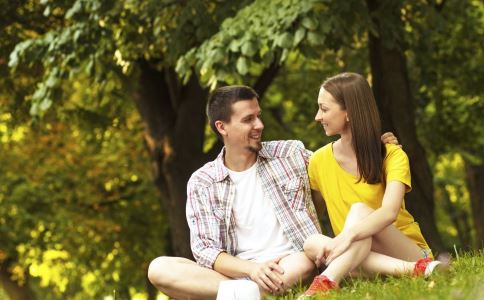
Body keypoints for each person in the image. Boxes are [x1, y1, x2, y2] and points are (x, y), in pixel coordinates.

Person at [147, 85, 398, 300]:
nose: (259, 125)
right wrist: (253, 269)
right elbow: (205, 250)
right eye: (248, 120)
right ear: (222, 127)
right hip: (234, 272)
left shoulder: (290, 154)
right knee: (159, 268)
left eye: (258, 116)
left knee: (303, 261)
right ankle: (247, 293)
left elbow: (339, 168)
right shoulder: (203, 181)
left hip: (290, 263)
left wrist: (377, 148)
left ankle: (239, 295)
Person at [299, 72, 444, 298]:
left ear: (349, 113)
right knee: (311, 242)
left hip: (405, 250)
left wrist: (345, 238)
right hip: (355, 258)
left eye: (324, 109)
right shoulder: (318, 161)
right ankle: (420, 271)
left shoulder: (392, 155)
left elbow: (388, 212)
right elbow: (314, 216)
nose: (318, 116)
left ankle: (325, 283)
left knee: (359, 211)